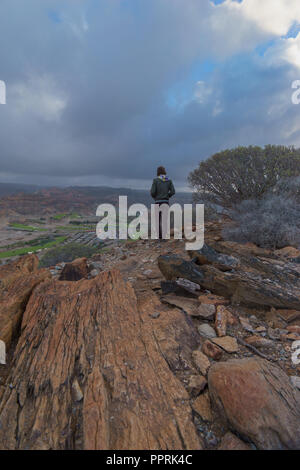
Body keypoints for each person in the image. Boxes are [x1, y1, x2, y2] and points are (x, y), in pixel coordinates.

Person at [150, 166, 175, 239]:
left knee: (157, 220)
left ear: (158, 172)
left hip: (158, 202)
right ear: (164, 171)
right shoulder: (168, 180)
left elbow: (152, 192)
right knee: (164, 220)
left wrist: (155, 198)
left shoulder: (156, 180)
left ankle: (159, 237)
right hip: (165, 202)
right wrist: (167, 196)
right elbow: (173, 191)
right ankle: (164, 237)